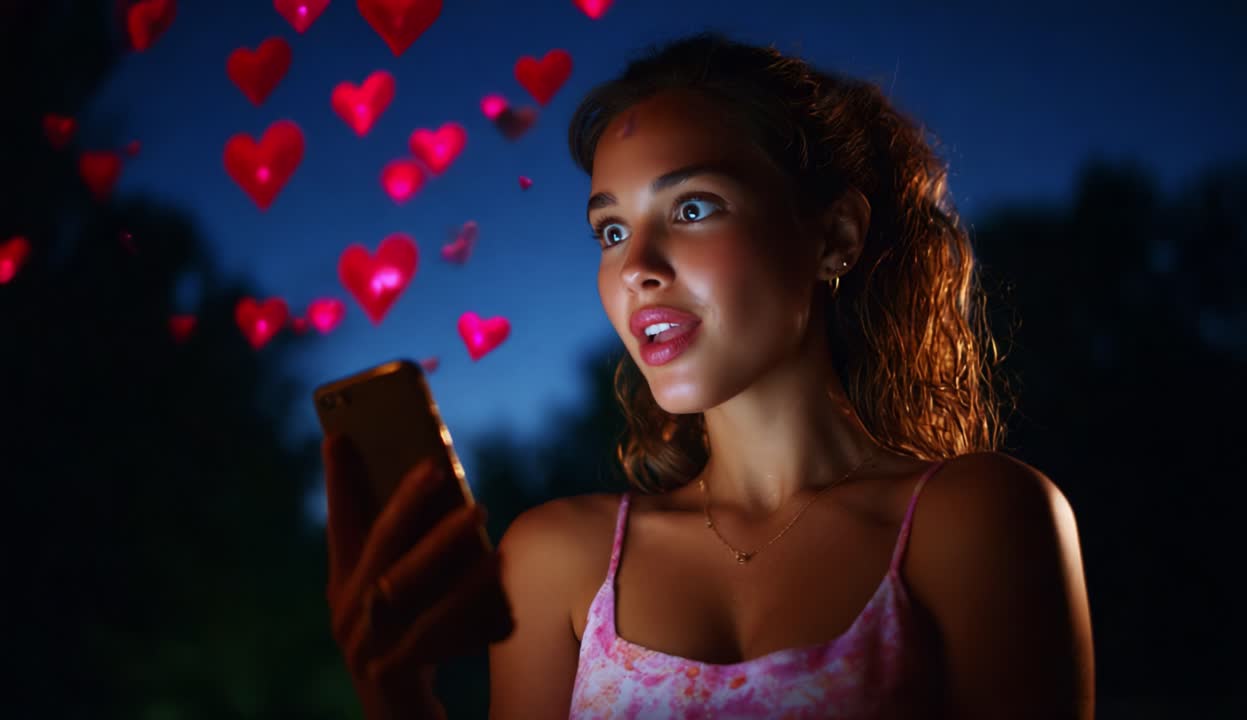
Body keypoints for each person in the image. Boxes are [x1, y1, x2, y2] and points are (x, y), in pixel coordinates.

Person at [323, 31, 1096, 720]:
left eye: (692, 209)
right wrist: (394, 698)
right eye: (612, 230)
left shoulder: (975, 522)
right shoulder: (558, 562)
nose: (637, 270)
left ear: (835, 237)